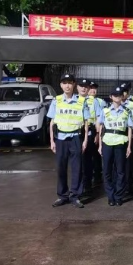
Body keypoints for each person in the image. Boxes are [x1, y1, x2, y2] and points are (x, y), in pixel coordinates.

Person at [49, 74, 90, 209]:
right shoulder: (56, 101)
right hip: (60, 139)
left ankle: (75, 196)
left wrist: (84, 141)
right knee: (61, 168)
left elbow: (85, 123)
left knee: (77, 168)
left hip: (75, 138)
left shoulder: (81, 101)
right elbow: (52, 122)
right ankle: (62, 195)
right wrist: (52, 140)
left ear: (74, 85)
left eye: (70, 83)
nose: (67, 85)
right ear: (61, 85)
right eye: (64, 83)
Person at [97, 86, 133, 206]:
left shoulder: (127, 111)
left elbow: (129, 129)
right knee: (107, 170)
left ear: (122, 97)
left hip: (121, 142)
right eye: (115, 95)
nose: (117, 97)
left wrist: (129, 146)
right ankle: (110, 195)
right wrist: (100, 145)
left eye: (119, 95)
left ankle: (118, 196)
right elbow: (101, 129)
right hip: (107, 141)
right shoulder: (105, 111)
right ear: (111, 97)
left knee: (121, 171)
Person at [88, 81, 106, 184]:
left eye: (94, 88)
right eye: (91, 88)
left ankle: (98, 175)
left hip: (97, 130)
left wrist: (99, 134)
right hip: (87, 130)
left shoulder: (100, 102)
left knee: (97, 155)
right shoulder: (82, 101)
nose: (93, 90)